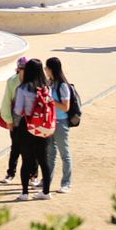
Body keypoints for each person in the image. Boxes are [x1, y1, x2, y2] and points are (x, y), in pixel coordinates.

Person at [11, 57, 55, 200]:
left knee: (26, 161)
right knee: (44, 161)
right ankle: (46, 192)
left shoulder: (23, 88)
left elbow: (18, 110)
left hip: (27, 127)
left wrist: (15, 124)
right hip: (44, 127)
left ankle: (24, 193)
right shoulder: (47, 87)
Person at [46, 57, 75, 193]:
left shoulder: (62, 86)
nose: (45, 70)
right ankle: (47, 180)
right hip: (50, 121)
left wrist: (50, 101)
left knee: (64, 153)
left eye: (46, 68)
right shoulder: (50, 83)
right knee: (50, 153)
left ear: (51, 69)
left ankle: (66, 183)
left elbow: (66, 107)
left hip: (60, 122)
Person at [0, 63, 26, 183]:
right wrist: (8, 120)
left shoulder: (34, 80)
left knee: (31, 149)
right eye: (21, 69)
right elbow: (6, 101)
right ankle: (11, 173)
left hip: (30, 119)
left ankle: (33, 174)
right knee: (15, 147)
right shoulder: (12, 81)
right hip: (16, 118)